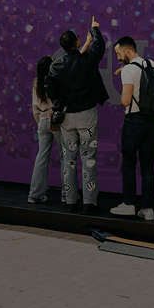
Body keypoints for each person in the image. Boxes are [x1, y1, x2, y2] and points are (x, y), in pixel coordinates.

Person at [46, 18, 106, 214]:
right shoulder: (87, 60)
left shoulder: (57, 65)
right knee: (88, 158)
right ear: (77, 42)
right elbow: (100, 47)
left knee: (68, 159)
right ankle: (89, 203)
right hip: (87, 115)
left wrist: (61, 101)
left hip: (66, 117)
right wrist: (94, 30)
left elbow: (50, 90)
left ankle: (70, 200)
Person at [110, 36, 154, 221]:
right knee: (148, 167)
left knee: (129, 164)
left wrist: (125, 76)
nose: (118, 57)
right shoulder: (151, 64)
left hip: (134, 121)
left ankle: (129, 204)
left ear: (128, 51)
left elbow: (125, 100)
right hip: (153, 121)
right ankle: (148, 209)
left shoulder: (128, 70)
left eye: (119, 53)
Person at [28, 56, 56, 204]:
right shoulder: (55, 80)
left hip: (43, 120)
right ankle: (67, 195)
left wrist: (40, 122)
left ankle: (35, 194)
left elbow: (34, 107)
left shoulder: (36, 82)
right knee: (65, 156)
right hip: (56, 120)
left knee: (41, 157)